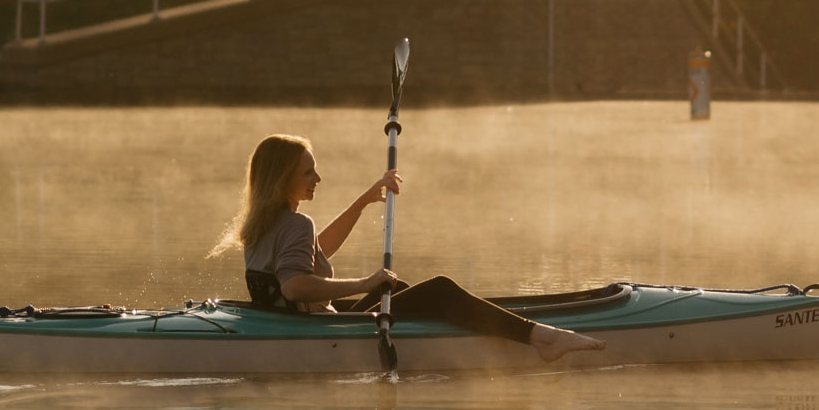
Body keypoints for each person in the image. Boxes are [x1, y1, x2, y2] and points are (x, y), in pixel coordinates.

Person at [209, 134, 605, 363]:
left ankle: (507, 329)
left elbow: (313, 254)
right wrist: (366, 280)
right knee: (439, 289)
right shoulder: (295, 223)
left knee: (395, 292)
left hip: (290, 319)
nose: (318, 177)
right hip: (309, 327)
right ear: (283, 178)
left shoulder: (262, 224)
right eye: (308, 170)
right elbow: (296, 285)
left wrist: (363, 201)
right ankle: (541, 339)